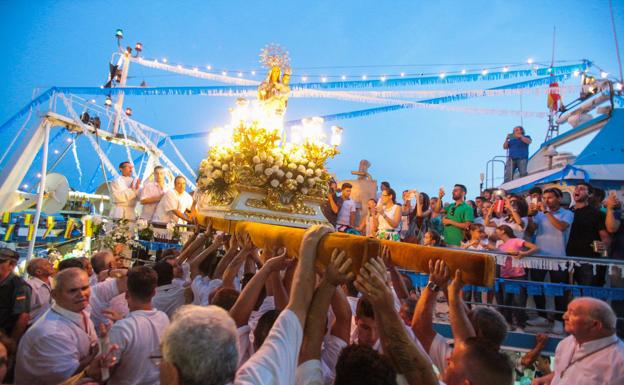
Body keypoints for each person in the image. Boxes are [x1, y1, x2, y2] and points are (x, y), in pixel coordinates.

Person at [15, 268, 114, 385]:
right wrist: (98, 351)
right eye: (73, 291)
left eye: (84, 288)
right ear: (55, 295)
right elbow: (70, 378)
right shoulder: (51, 333)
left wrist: (101, 347)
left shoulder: (80, 311)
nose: (82, 294)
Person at [412, 259, 508, 376]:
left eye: (468, 321)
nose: (464, 319)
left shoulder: (458, 362)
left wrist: (433, 284)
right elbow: (465, 317)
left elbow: (419, 328)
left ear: (478, 334)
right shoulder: (498, 370)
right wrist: (447, 287)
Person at [532, 297, 624, 385]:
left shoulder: (619, 363)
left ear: (595, 325)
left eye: (573, 313)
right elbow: (563, 373)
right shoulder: (565, 343)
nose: (564, 316)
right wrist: (545, 379)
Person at [107, 266, 169, 385]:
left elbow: (105, 371)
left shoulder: (121, 329)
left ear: (126, 294)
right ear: (154, 292)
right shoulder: (164, 318)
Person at [526, 187, 574, 333]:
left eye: (550, 198)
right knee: (537, 287)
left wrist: (546, 212)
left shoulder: (567, 213)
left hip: (558, 256)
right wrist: (530, 216)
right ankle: (542, 317)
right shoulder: (539, 214)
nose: (546, 200)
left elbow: (561, 227)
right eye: (545, 198)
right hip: (539, 256)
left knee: (559, 289)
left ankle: (559, 320)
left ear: (559, 199)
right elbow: (530, 231)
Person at [567, 182, 610, 287]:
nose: (577, 190)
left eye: (582, 189)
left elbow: (606, 238)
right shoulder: (568, 212)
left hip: (588, 260)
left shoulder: (597, 214)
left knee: (588, 293)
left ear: (590, 194)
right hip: (567, 258)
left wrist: (603, 248)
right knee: (567, 293)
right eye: (576, 188)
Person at [496, 224, 539, 330]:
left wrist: (524, 253)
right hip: (505, 276)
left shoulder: (516, 240)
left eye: (497, 229)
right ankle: (508, 323)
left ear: (503, 231)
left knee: (519, 300)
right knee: (507, 301)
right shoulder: (500, 246)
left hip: (518, 275)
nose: (495, 231)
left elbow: (535, 247)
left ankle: (520, 324)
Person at [0, 248, 31, 346]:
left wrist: (12, 342)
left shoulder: (20, 286)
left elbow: (23, 317)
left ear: (11, 265)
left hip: (4, 338)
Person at [25, 258, 54, 325]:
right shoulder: (30, 287)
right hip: (33, 326)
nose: (52, 264)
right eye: (47, 264)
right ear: (38, 272)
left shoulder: (53, 281)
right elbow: (24, 314)